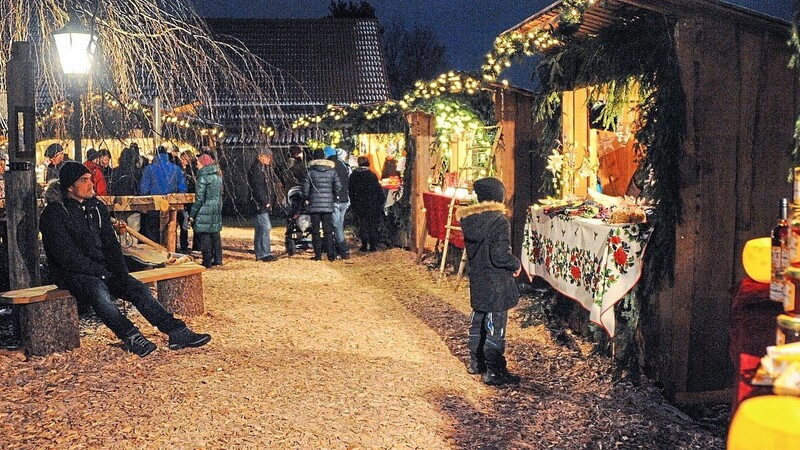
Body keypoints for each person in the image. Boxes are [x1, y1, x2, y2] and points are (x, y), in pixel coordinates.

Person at [39, 161, 211, 357]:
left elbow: (111, 245)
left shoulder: (97, 208)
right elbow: (66, 256)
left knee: (136, 287)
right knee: (99, 292)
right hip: (70, 273)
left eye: (90, 179)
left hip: (101, 269)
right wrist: (101, 273)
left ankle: (176, 331)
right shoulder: (54, 213)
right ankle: (131, 336)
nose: (91, 184)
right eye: (84, 180)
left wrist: (121, 273)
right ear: (70, 186)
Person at [456, 177, 522, 386]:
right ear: (499, 196)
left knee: (478, 321)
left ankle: (476, 363)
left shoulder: (470, 220)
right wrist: (515, 264)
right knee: (495, 325)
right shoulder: (498, 220)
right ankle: (494, 371)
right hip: (497, 282)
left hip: (478, 279)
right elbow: (500, 255)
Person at [139, 145, 187, 242]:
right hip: (171, 206)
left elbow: (144, 189)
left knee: (153, 231)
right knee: (170, 230)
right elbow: (182, 188)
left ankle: (155, 251)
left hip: (153, 205)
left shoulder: (149, 169)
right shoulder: (176, 169)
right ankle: (169, 250)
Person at [302, 148, 341, 261]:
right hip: (328, 205)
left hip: (314, 204)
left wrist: (307, 197)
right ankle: (330, 255)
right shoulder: (332, 171)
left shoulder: (311, 172)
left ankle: (318, 255)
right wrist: (332, 194)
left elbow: (305, 189)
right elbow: (338, 186)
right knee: (328, 230)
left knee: (315, 231)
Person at [190, 154, 223, 268]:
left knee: (205, 235)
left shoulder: (202, 177)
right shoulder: (218, 176)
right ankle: (218, 259)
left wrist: (192, 214)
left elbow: (199, 198)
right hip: (216, 207)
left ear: (203, 163)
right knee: (215, 233)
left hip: (205, 208)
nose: (197, 165)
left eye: (198, 163)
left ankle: (207, 261)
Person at [247, 148, 279, 262]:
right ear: (261, 157)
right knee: (265, 227)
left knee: (260, 228)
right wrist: (265, 201)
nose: (270, 160)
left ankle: (261, 252)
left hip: (260, 203)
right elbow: (258, 188)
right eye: (268, 157)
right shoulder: (257, 170)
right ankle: (264, 253)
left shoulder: (261, 169)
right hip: (259, 204)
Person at [348, 156, 385, 252]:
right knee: (372, 224)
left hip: (359, 204)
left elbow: (351, 190)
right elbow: (378, 190)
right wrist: (381, 201)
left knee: (362, 224)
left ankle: (364, 245)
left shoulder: (353, 175)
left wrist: (353, 202)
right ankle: (373, 245)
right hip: (372, 203)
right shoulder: (372, 175)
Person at [326, 146, 351, 260]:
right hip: (344, 199)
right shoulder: (343, 165)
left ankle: (343, 249)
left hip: (335, 199)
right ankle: (341, 249)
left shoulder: (330, 167)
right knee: (339, 224)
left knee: (337, 226)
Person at [179, 151, 198, 254]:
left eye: (183, 159)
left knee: (190, 223)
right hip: (186, 201)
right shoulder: (183, 170)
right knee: (184, 224)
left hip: (190, 199)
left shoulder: (192, 171)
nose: (182, 161)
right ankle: (184, 246)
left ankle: (193, 246)